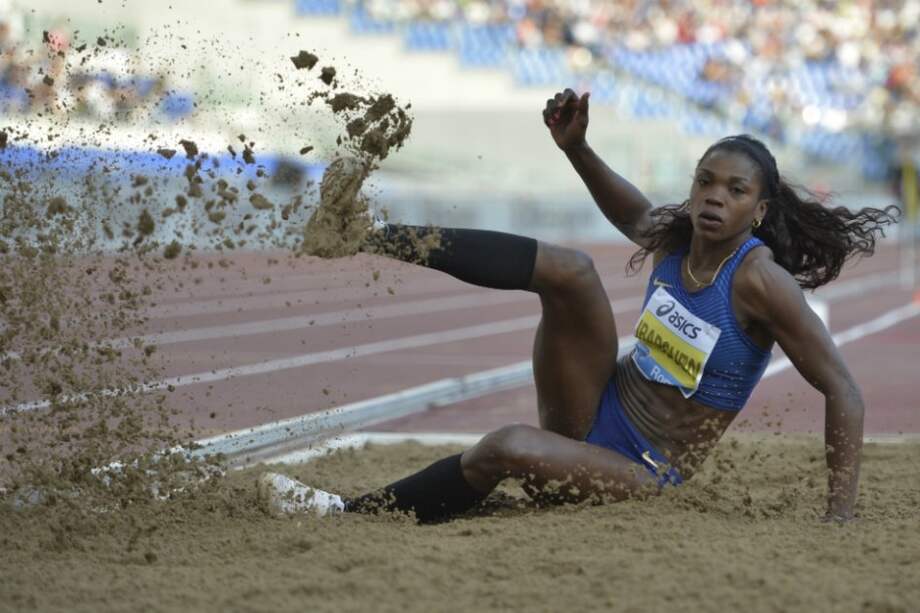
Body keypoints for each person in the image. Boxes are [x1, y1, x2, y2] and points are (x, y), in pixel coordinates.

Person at [259, 88, 898, 524]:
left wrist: (839, 515)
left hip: (641, 469)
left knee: (505, 445)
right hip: (594, 409)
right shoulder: (678, 238)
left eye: (735, 191)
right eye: (705, 181)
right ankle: (362, 234)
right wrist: (576, 148)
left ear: (758, 210)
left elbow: (843, 389)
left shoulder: (760, 281)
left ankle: (345, 513)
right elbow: (631, 212)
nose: (713, 197)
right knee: (572, 271)